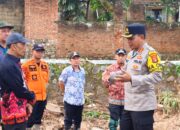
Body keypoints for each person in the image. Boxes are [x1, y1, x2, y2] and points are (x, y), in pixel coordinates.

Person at [117, 23, 162, 130]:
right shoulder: (131, 54)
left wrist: (132, 79)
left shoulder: (151, 54)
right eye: (127, 39)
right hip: (129, 104)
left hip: (143, 106)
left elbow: (157, 76)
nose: (128, 42)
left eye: (131, 38)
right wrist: (114, 76)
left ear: (141, 37)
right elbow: (126, 72)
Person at [0, 32, 35, 130]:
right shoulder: (8, 64)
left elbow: (22, 83)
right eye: (23, 44)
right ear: (14, 46)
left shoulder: (14, 62)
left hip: (18, 111)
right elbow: (19, 89)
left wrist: (28, 102)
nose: (25, 48)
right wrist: (32, 96)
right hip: (13, 116)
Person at [22, 44, 49, 129]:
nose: (39, 53)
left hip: (43, 97)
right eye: (37, 51)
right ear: (32, 51)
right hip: (32, 98)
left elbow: (46, 80)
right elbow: (22, 81)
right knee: (29, 119)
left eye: (41, 51)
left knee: (38, 119)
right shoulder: (26, 65)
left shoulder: (45, 65)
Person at [58, 52, 85, 130]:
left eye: (77, 58)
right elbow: (61, 82)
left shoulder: (82, 70)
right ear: (70, 60)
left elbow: (82, 83)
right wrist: (64, 92)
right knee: (68, 120)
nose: (76, 60)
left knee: (78, 119)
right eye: (74, 58)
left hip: (80, 101)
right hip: (69, 100)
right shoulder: (67, 71)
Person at [102, 49, 126, 130]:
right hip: (114, 101)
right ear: (116, 56)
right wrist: (110, 78)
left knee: (125, 122)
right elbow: (105, 82)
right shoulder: (110, 68)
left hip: (127, 101)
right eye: (119, 55)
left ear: (125, 56)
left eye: (123, 55)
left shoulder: (129, 68)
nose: (121, 57)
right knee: (113, 122)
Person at [0, 21, 13, 130]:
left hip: (10, 91)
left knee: (7, 121)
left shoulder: (12, 49)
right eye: (3, 31)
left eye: (8, 31)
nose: (7, 33)